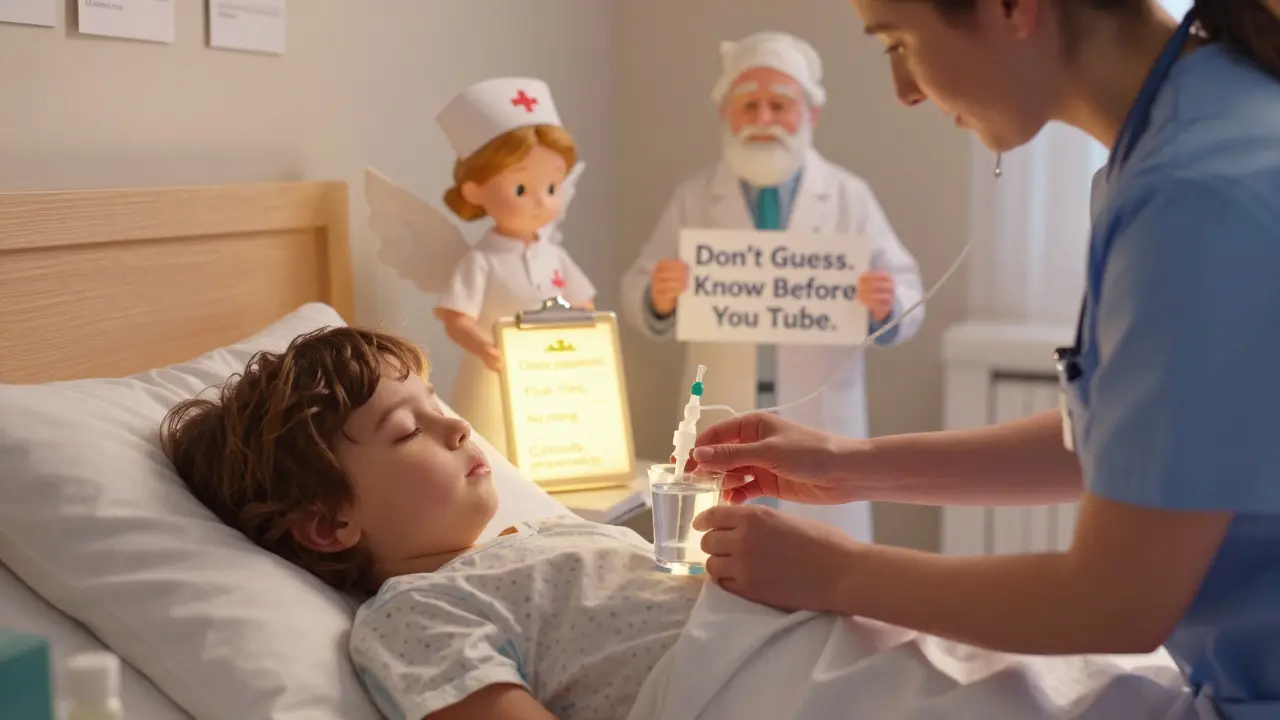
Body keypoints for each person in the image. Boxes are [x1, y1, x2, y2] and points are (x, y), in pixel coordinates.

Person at [688, 0, 1280, 716]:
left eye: (898, 42)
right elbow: (1143, 442)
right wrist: (851, 463)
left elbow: (1115, 604)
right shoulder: (1201, 126)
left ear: (1013, 9)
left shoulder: (1196, 197)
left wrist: (833, 572)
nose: (904, 90)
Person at [160, 326, 703, 720]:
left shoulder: (548, 533)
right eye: (405, 431)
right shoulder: (416, 614)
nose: (459, 425)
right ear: (328, 526)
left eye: (435, 402)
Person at [619, 30, 926, 543]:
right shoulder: (695, 198)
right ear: (727, 116)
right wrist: (659, 295)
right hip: (721, 403)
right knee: (716, 557)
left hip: (819, 411)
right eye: (750, 105)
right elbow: (636, 290)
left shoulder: (849, 197)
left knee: (822, 564)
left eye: (779, 105)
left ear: (810, 115)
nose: (763, 120)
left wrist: (885, 302)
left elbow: (911, 297)